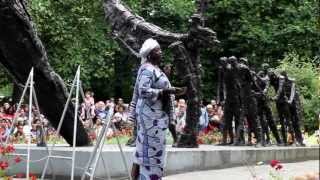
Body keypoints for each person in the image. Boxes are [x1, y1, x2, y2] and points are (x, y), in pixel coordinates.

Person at [130, 38, 182, 180]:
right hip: (149, 118)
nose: (161, 52)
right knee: (150, 153)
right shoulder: (147, 69)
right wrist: (165, 92)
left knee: (143, 152)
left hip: (155, 117)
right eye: (157, 50)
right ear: (149, 54)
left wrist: (168, 91)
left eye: (160, 49)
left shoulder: (154, 69)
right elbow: (143, 91)